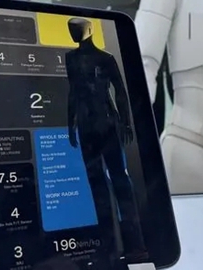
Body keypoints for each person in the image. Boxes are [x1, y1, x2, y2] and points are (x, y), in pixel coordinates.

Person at [65, 18, 148, 264]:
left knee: (120, 181)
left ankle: (135, 245)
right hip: (87, 126)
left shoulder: (106, 58)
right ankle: (109, 247)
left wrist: (126, 122)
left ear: (89, 30)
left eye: (77, 29)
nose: (73, 32)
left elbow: (120, 91)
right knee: (97, 185)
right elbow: (73, 92)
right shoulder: (71, 58)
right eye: (70, 29)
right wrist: (70, 123)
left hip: (107, 124)